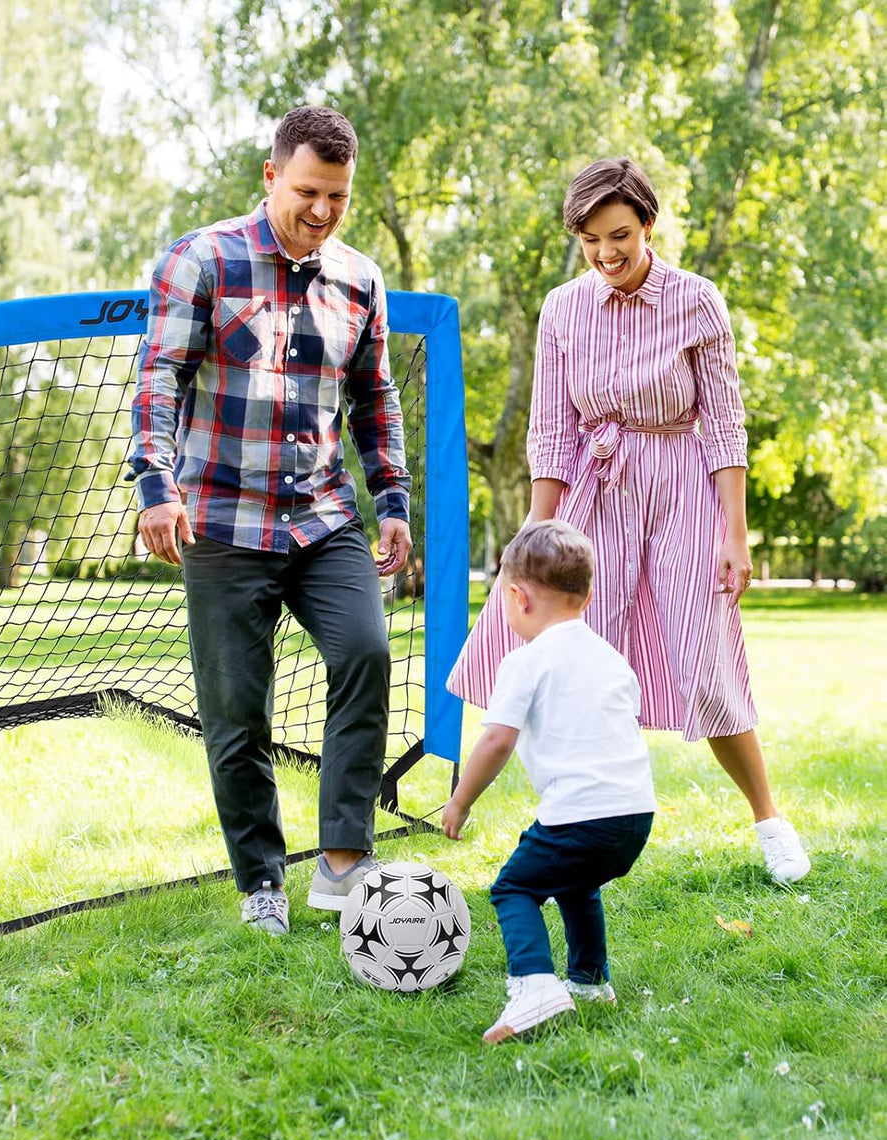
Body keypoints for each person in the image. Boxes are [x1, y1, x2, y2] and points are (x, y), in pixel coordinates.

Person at [448, 157, 810, 885]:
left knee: (705, 661)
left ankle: (769, 820)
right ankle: (573, 822)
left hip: (681, 485)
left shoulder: (697, 301)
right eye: (591, 242)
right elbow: (551, 431)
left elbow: (724, 425)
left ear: (647, 223)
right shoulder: (562, 310)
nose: (607, 254)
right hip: (597, 490)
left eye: (619, 235)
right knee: (571, 657)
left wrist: (733, 533)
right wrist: (534, 538)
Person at [128, 106, 413, 935]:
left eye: (338, 197)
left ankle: (343, 862)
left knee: (365, 652)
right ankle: (261, 881)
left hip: (323, 518)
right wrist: (156, 484)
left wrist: (390, 500)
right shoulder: (203, 260)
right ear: (270, 176)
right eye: (308, 191)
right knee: (237, 711)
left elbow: (373, 398)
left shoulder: (360, 281)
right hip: (219, 520)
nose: (323, 210)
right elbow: (159, 380)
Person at [442, 520, 656, 1043]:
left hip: (581, 813)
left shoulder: (526, 661)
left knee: (515, 887)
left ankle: (535, 985)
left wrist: (460, 802)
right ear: (584, 595)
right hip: (636, 813)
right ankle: (588, 981)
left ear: (518, 598)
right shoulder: (610, 657)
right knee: (577, 882)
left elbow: (497, 740)